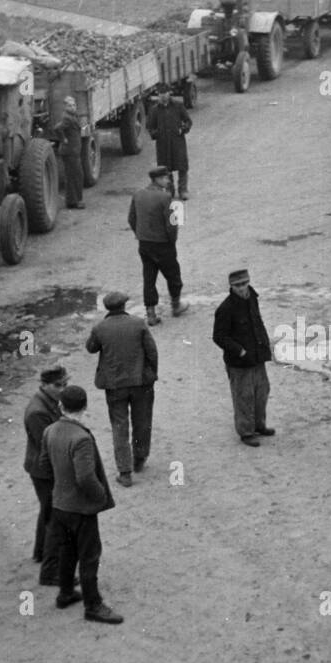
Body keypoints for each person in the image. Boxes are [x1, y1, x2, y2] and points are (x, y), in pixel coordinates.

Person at [37, 384, 122, 625]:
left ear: (61, 406)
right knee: (89, 555)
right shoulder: (81, 438)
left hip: (60, 504)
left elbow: (44, 466)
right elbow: (85, 477)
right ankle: (93, 605)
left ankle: (65, 593)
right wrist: (100, 496)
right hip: (81, 508)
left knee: (67, 551)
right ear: (85, 407)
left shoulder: (50, 431)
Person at [86, 292, 158, 487]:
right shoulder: (138, 324)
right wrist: (152, 375)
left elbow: (91, 348)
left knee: (119, 426)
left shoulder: (100, 328)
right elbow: (152, 351)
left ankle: (124, 472)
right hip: (140, 383)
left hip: (114, 385)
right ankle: (140, 458)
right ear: (124, 306)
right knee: (142, 421)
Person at [212, 269, 274, 447]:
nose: (241, 288)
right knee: (244, 396)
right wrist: (239, 351)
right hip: (239, 363)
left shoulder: (252, 298)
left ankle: (259, 425)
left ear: (249, 282)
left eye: (244, 284)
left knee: (262, 392)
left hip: (257, 357)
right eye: (237, 285)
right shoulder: (226, 308)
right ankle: (246, 432)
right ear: (231, 286)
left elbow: (257, 323)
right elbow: (219, 336)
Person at [23, 365, 68, 585]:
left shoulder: (48, 402)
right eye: (57, 385)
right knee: (54, 515)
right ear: (44, 385)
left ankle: (40, 552)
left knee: (48, 510)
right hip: (43, 470)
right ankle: (52, 569)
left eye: (65, 384)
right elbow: (48, 444)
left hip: (44, 467)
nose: (62, 389)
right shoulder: (38, 412)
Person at [127, 167, 188, 326]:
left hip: (144, 244)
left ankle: (151, 314)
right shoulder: (165, 197)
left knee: (149, 277)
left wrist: (140, 234)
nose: (168, 181)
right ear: (158, 180)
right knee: (173, 275)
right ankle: (176, 305)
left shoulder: (138, 194)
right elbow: (172, 225)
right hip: (163, 245)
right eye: (166, 178)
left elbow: (131, 218)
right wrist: (172, 241)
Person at [147, 87, 192, 200]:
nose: (162, 96)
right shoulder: (155, 110)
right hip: (163, 144)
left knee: (182, 166)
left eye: (164, 93)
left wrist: (182, 129)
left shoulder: (178, 106)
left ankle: (183, 190)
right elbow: (150, 126)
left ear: (169, 93)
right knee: (166, 168)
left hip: (177, 142)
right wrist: (156, 134)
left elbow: (188, 121)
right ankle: (169, 190)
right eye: (160, 94)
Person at [53, 95, 85, 210]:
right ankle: (75, 201)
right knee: (76, 176)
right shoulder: (67, 118)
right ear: (66, 107)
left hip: (73, 151)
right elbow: (57, 128)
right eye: (70, 105)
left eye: (74, 105)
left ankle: (72, 201)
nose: (73, 107)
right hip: (70, 152)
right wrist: (63, 139)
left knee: (73, 176)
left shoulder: (72, 116)